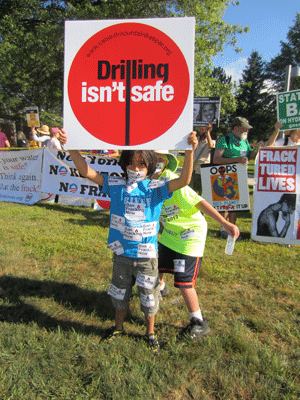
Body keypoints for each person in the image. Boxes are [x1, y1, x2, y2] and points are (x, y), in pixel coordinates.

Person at [66, 130, 198, 355]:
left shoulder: (156, 189)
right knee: (119, 292)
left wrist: (189, 150)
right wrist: (69, 146)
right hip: (122, 255)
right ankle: (118, 327)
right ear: (124, 164)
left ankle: (150, 332)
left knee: (149, 296)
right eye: (132, 163)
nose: (136, 169)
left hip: (147, 258)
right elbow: (86, 172)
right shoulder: (115, 185)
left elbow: (184, 179)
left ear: (150, 167)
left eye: (142, 165)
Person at [151, 151, 240, 340]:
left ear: (166, 163)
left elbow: (199, 202)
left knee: (184, 281)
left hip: (190, 234)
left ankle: (198, 322)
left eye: (160, 159)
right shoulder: (146, 183)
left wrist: (224, 223)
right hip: (169, 233)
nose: (156, 163)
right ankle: (160, 287)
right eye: (152, 158)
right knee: (155, 264)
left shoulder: (173, 182)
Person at [213, 117, 260, 238]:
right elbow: (216, 159)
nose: (247, 131)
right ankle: (223, 228)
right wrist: (237, 160)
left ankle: (232, 228)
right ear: (236, 128)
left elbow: (250, 155)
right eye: (245, 129)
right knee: (225, 204)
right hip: (225, 176)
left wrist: (258, 148)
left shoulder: (244, 141)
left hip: (240, 175)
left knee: (236, 205)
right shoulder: (225, 139)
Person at [190, 123, 215, 194]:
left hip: (203, 171)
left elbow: (211, 146)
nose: (200, 131)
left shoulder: (211, 142)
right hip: (193, 170)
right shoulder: (197, 139)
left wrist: (207, 132)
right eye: (200, 129)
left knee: (201, 192)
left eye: (203, 129)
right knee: (191, 191)